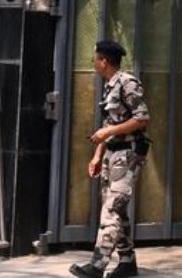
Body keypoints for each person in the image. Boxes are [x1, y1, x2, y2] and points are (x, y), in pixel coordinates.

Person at [70, 39, 150, 278]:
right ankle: (127, 261)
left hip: (128, 155)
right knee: (117, 209)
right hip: (112, 155)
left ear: (104, 61)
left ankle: (97, 265)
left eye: (95, 59)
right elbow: (110, 123)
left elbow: (142, 118)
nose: (94, 63)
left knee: (112, 211)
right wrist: (97, 155)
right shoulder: (110, 85)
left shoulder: (128, 83)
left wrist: (109, 132)